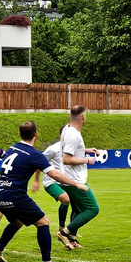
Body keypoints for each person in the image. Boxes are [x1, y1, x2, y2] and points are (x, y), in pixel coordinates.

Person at [0, 121, 87, 262]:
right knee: (43, 222)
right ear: (36, 134)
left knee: (17, 222)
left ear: (19, 134)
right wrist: (76, 184)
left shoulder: (12, 147)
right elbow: (55, 174)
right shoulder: (34, 154)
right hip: (14, 195)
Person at [56, 106, 101, 250]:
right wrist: (87, 160)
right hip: (74, 180)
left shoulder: (67, 129)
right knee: (92, 209)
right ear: (82, 117)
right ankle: (64, 232)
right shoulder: (74, 134)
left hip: (68, 177)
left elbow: (69, 149)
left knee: (77, 209)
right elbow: (66, 159)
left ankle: (72, 240)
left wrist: (85, 150)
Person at [31, 141, 72, 237]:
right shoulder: (53, 149)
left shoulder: (71, 149)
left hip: (65, 180)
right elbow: (39, 163)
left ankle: (71, 229)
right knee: (66, 199)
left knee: (76, 203)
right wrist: (36, 180)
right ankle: (62, 228)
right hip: (51, 181)